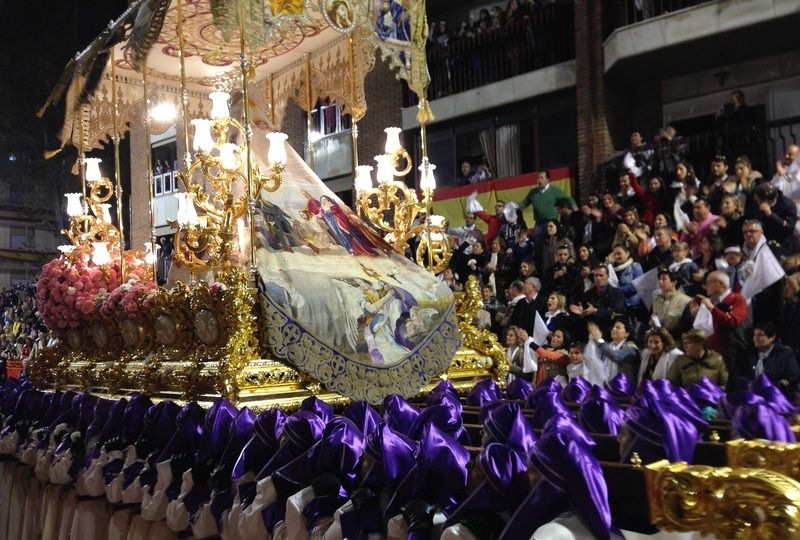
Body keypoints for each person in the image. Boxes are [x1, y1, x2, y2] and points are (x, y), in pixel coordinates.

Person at [517, 171, 574, 270]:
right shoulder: (533, 193)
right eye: (538, 178)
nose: (539, 180)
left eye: (541, 178)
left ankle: (557, 267)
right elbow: (524, 204)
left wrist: (575, 208)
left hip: (552, 222)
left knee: (555, 245)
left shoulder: (554, 191)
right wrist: (514, 207)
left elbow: (567, 199)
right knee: (539, 247)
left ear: (548, 179)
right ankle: (541, 270)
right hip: (539, 224)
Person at [737, 322, 800, 398]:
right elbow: (738, 376)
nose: (755, 338)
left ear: (772, 337)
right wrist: (751, 384)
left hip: (777, 398)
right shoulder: (749, 354)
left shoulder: (785, 355)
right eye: (754, 335)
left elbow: (793, 378)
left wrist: (771, 386)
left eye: (760, 335)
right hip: (752, 397)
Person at [569, 265, 625, 338]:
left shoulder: (617, 293)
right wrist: (581, 314)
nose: (598, 278)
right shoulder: (587, 294)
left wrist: (596, 311)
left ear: (607, 276)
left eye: (601, 275)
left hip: (610, 334)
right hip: (592, 334)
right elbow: (585, 316)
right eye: (596, 276)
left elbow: (618, 312)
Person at [650, 268, 692, 338]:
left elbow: (686, 327)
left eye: (664, 279)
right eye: (659, 279)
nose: (660, 282)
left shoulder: (685, 301)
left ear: (674, 282)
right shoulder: (656, 300)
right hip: (658, 339)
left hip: (676, 340)